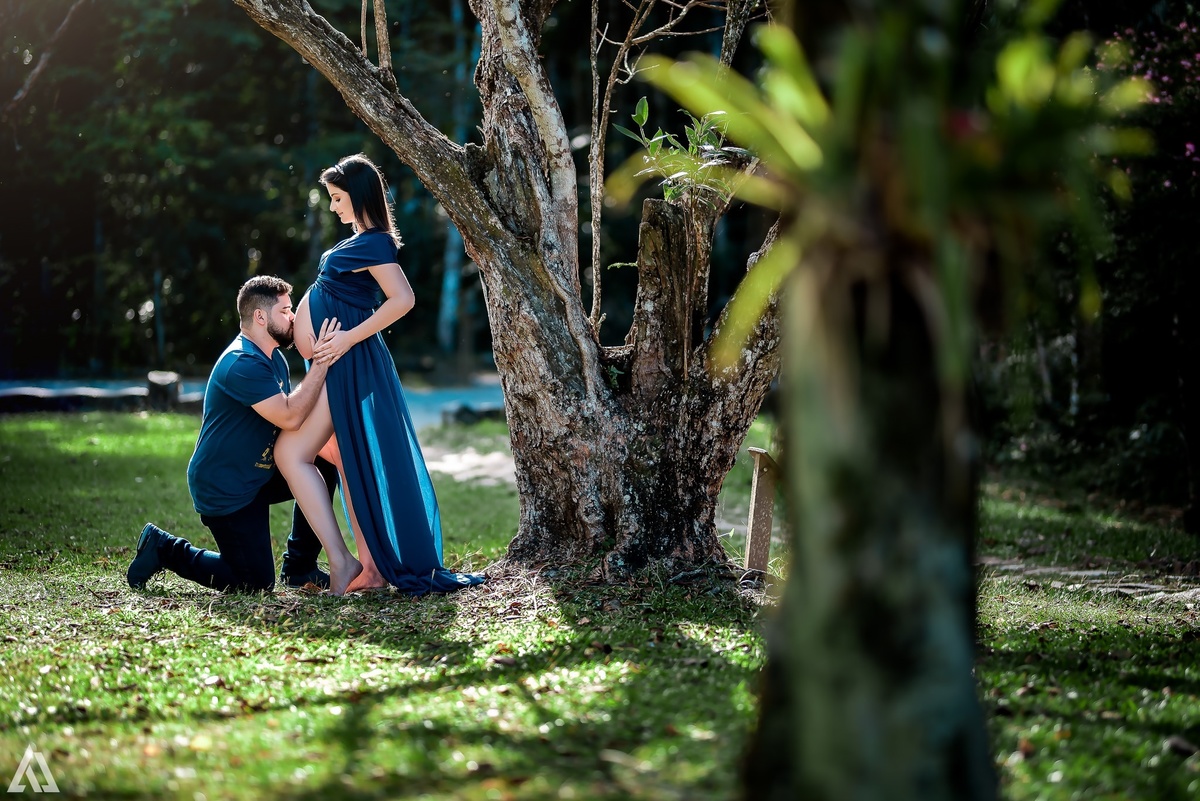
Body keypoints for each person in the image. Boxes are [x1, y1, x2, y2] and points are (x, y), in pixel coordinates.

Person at [276, 153, 486, 596]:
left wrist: (348, 337)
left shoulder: (375, 242)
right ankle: (367, 566)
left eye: (337, 198)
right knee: (352, 465)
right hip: (337, 364)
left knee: (303, 454)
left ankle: (353, 564)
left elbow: (402, 299)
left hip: (349, 365)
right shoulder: (360, 240)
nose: (333, 207)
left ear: (358, 194)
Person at [126, 275, 348, 593]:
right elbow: (291, 415)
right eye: (285, 310)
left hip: (257, 474)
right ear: (260, 316)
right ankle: (163, 548)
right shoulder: (242, 363)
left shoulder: (275, 360)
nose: (293, 317)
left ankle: (300, 567)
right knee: (255, 583)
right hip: (225, 486)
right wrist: (321, 362)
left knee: (322, 462)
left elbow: (295, 419)